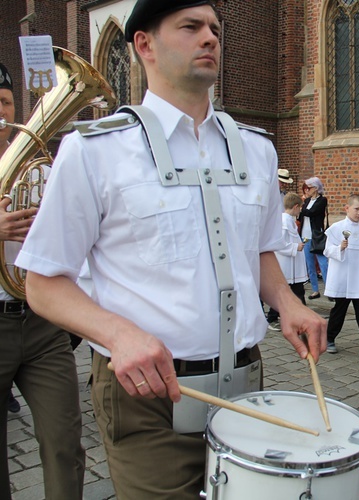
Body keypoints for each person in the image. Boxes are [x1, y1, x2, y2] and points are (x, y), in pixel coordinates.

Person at [15, 2, 326, 497]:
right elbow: (43, 282)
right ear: (144, 45)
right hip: (147, 397)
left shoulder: (258, 150)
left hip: (246, 381)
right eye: (190, 28)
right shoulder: (95, 150)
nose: (209, 38)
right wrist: (118, 335)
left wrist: (287, 304)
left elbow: (261, 250)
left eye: (215, 30)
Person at [0, 61, 85, 499]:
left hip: (39, 321)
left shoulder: (40, 167)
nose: (0, 114)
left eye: (5, 103)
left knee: (65, 442)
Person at [323, 194, 359, 358]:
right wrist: (340, 248)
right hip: (343, 278)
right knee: (339, 311)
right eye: (357, 209)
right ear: (347, 208)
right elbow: (327, 251)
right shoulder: (336, 228)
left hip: (358, 279)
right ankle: (328, 339)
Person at [267, 193, 308, 331]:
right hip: (286, 264)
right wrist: (296, 247)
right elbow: (279, 244)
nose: (300, 211)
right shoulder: (284, 222)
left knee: (296, 291)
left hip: (292, 265)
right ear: (295, 207)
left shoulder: (288, 220)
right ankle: (273, 317)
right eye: (300, 208)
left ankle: (299, 318)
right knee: (287, 292)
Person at [299, 176, 329, 299]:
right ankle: (315, 290)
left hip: (316, 235)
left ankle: (329, 288)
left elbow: (311, 212)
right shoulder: (306, 201)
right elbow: (301, 215)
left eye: (309, 188)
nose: (307, 191)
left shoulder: (322, 200)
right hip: (305, 235)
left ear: (316, 188)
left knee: (323, 263)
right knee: (309, 264)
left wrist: (301, 209)